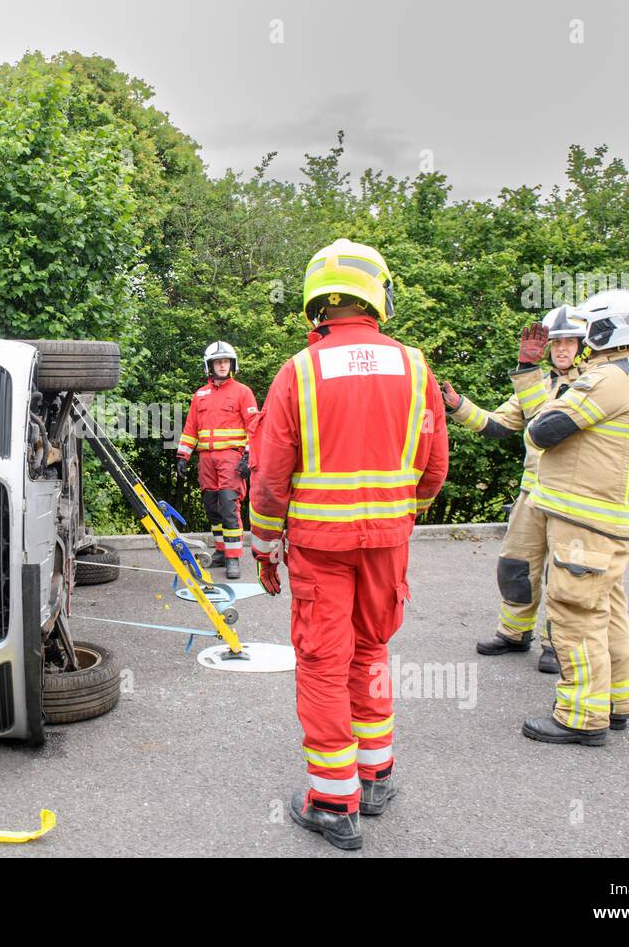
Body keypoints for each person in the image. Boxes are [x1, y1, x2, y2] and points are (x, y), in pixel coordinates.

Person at [249, 238, 447, 851]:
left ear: (317, 304)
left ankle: (334, 802)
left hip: (319, 546)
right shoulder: (415, 366)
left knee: (322, 663)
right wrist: (399, 518)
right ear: (378, 295)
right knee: (371, 651)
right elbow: (433, 465)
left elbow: (271, 471)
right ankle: (376, 775)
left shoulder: (299, 371)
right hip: (386, 546)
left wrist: (263, 545)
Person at [519, 289, 629, 745]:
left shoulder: (607, 379)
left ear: (605, 328)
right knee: (608, 611)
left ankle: (580, 716)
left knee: (575, 614)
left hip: (586, 522)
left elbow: (542, 430)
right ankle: (616, 703)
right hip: (611, 519)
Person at [441, 305, 586, 672]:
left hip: (570, 495)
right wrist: (458, 407)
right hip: (532, 492)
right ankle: (515, 632)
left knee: (563, 573)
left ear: (584, 345)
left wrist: (525, 373)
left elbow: (544, 427)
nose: (562, 349)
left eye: (570, 342)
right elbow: (499, 425)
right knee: (515, 565)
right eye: (557, 343)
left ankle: (558, 644)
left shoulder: (590, 384)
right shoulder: (539, 382)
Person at [175, 341, 260, 580]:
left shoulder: (243, 392)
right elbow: (191, 428)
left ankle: (233, 558)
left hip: (231, 459)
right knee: (212, 508)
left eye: (225, 361)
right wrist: (183, 456)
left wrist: (248, 455)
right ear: (210, 366)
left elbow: (253, 427)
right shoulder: (200, 395)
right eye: (217, 362)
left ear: (231, 364)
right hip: (206, 461)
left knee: (229, 507)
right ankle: (222, 551)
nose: (222, 365)